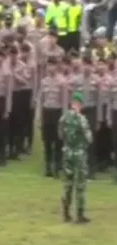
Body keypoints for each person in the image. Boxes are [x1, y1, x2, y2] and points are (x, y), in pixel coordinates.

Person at [59, 92, 92, 224]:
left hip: (67, 152)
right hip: (79, 154)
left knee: (67, 183)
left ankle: (66, 213)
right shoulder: (82, 119)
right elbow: (89, 138)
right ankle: (79, 215)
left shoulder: (63, 118)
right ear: (80, 104)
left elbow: (60, 135)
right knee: (80, 184)